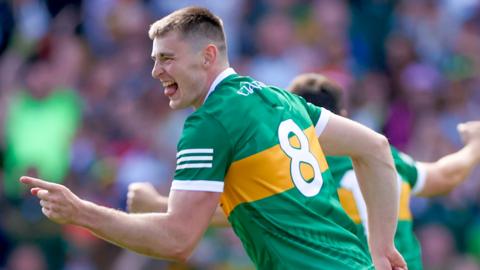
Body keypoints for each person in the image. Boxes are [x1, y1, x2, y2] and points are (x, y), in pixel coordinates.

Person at [21, 7, 406, 269]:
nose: (155, 71)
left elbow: (176, 240)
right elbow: (374, 148)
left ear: (207, 56)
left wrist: (79, 212)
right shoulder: (279, 99)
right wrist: (382, 248)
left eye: (166, 59)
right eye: (154, 59)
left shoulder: (211, 121)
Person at [288, 73, 480, 270]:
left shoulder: (292, 174)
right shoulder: (384, 157)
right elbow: (444, 177)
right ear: (343, 116)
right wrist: (474, 146)